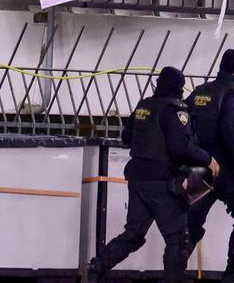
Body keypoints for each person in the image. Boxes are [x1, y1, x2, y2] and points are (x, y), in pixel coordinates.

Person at [87, 66, 219, 283]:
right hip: (162, 180)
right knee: (178, 237)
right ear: (179, 87)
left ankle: (95, 268)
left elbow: (127, 136)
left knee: (133, 234)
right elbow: (180, 147)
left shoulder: (143, 106)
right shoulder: (175, 110)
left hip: (138, 179)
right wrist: (208, 159)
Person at [186, 49, 234, 283]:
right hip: (226, 169)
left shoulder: (200, 92)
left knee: (190, 223)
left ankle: (172, 271)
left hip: (199, 167)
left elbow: (184, 124)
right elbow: (229, 127)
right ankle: (230, 273)